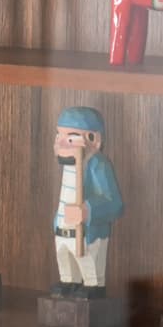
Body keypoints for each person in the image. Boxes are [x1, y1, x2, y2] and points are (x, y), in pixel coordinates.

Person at [52, 106, 123, 298]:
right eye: (59, 135)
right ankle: (69, 282)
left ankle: (93, 287)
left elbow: (114, 203)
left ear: (94, 140)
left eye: (71, 137)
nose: (61, 143)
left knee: (89, 265)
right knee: (66, 261)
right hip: (63, 230)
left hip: (89, 233)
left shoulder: (98, 165)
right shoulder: (69, 166)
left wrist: (88, 210)